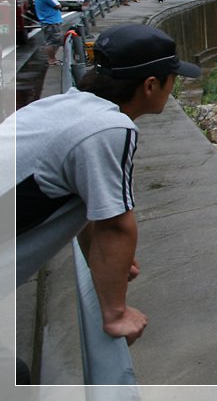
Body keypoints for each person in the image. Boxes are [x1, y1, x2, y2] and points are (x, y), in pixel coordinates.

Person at [6, 24, 201, 352]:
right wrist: (116, 313)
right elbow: (115, 224)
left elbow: (88, 205)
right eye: (173, 78)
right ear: (151, 85)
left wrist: (107, 261)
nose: (174, 85)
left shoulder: (66, 107)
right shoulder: (109, 128)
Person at [34, 0, 63, 65]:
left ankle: (52, 59)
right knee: (51, 42)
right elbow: (58, 5)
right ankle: (52, 60)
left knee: (50, 41)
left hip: (47, 21)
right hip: (51, 21)